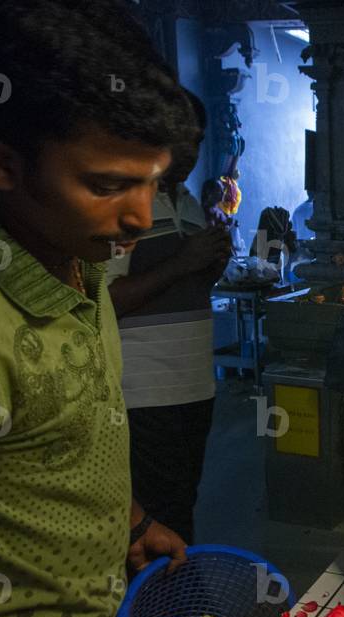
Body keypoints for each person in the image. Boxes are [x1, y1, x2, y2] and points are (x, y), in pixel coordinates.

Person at [0, 1, 196, 617]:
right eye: (106, 185)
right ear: (4, 162)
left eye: (151, 180)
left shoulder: (75, 253)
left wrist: (128, 523)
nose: (141, 217)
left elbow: (61, 439)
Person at [106, 92, 231, 545]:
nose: (192, 151)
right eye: (182, 139)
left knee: (182, 500)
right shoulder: (126, 205)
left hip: (195, 384)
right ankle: (159, 605)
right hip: (145, 390)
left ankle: (178, 605)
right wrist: (182, 261)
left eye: (197, 140)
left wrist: (210, 265)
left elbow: (187, 290)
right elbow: (108, 301)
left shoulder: (191, 203)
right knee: (153, 512)